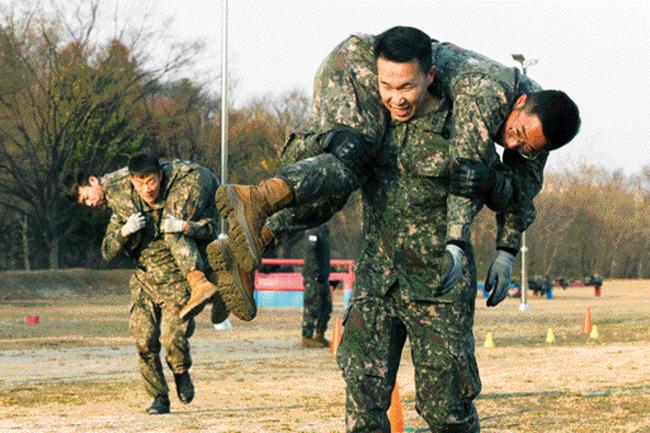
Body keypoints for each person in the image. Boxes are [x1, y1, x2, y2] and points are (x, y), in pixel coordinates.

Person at [197, 26, 581, 319]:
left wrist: (507, 251)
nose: (514, 146)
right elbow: (466, 175)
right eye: (515, 134)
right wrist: (455, 246)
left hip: (402, 78)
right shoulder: (486, 95)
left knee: (332, 197)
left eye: (528, 147)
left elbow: (523, 189)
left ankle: (247, 251)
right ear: (519, 103)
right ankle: (258, 197)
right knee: (353, 157)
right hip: (362, 67)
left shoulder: (539, 125)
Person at [67, 157, 255, 322]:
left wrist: (128, 235)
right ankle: (221, 281)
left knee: (170, 228)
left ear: (93, 181)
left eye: (86, 197)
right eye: (84, 203)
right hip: (203, 179)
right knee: (189, 230)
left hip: (191, 180)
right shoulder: (115, 188)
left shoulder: (115, 191)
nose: (90, 204)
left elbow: (148, 224)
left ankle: (200, 282)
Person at [300, 224, 333, 348]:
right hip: (313, 276)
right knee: (312, 306)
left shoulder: (324, 230)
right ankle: (306, 337)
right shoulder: (312, 230)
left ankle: (320, 335)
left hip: (323, 276)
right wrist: (315, 272)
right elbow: (310, 252)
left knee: (326, 307)